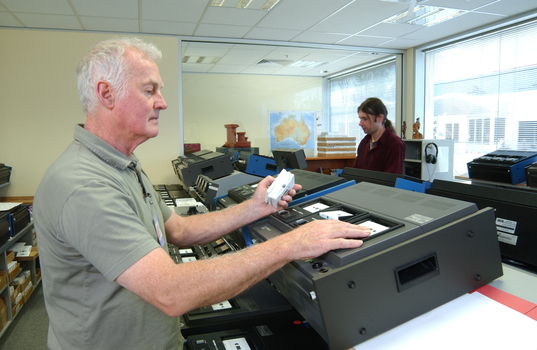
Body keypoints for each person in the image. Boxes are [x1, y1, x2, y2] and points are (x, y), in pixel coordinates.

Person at [33, 37, 370, 350]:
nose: (162, 103)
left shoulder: (123, 165)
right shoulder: (84, 183)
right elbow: (170, 291)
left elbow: (179, 230)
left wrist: (254, 208)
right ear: (106, 94)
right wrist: (293, 244)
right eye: (149, 90)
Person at [353, 97, 406, 174]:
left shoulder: (395, 144)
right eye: (360, 119)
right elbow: (355, 173)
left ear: (379, 118)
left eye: (365, 119)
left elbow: (391, 179)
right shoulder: (364, 143)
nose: (360, 123)